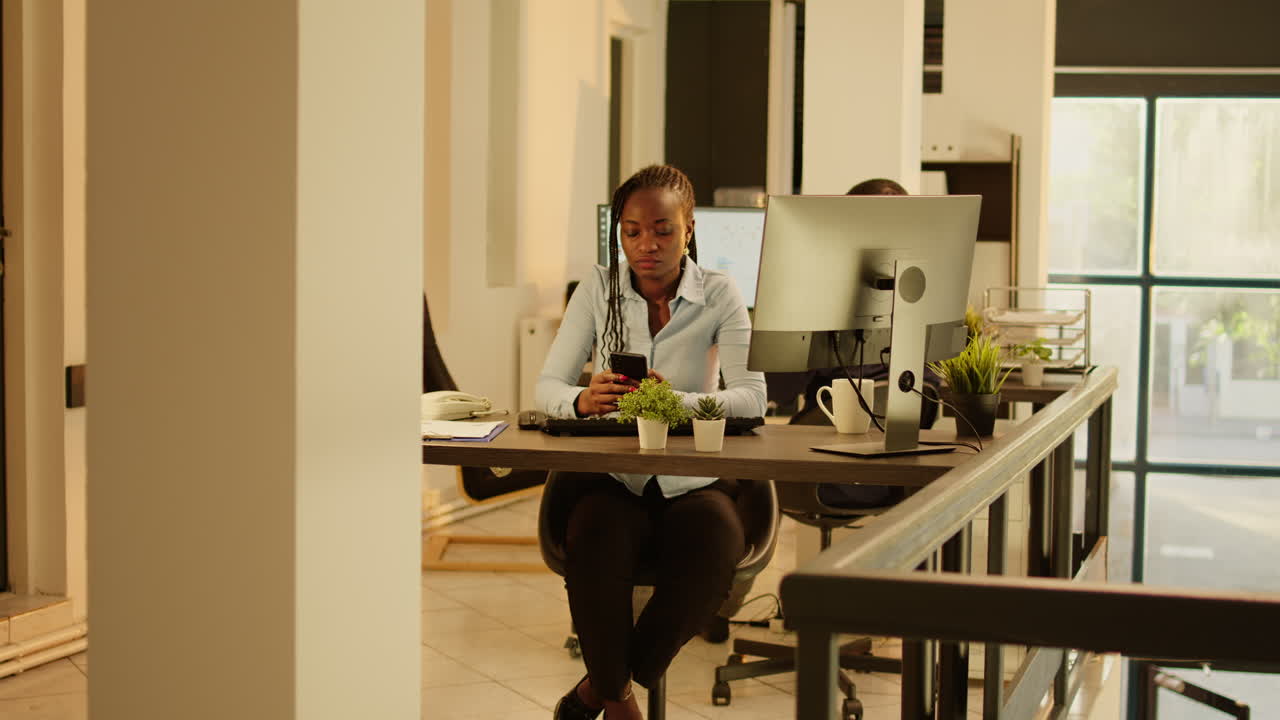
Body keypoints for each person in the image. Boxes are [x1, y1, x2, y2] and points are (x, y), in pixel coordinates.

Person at [536, 164, 767, 720]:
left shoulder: (719, 293)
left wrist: (673, 403)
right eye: (632, 231)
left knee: (714, 549)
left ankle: (602, 689)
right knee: (594, 538)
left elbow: (752, 399)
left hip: (693, 475)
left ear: (689, 229)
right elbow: (546, 387)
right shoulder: (599, 287)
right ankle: (621, 706)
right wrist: (582, 400)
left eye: (663, 229)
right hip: (614, 475)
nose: (647, 244)